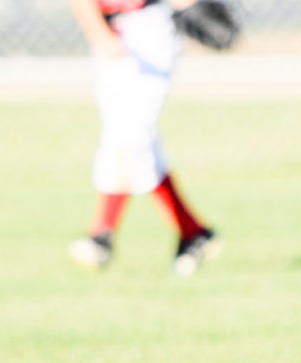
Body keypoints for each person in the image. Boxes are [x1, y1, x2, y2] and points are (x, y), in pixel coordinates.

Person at [68, 0, 222, 276]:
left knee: (130, 134)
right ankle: (193, 231)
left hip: (148, 26)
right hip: (111, 29)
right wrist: (98, 33)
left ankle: (102, 233)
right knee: (127, 135)